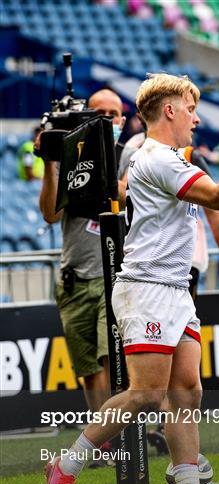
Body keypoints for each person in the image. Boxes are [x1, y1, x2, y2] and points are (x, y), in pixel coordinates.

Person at [41, 73, 219, 484]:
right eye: (190, 108)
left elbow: (214, 202)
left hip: (173, 289)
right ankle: (64, 467)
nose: (196, 117)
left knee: (187, 390)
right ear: (169, 110)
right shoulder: (158, 159)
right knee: (147, 395)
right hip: (147, 289)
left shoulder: (169, 158)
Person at [38, 89, 126, 415]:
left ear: (122, 120)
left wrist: (95, 156)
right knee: (89, 368)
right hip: (74, 277)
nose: (106, 120)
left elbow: (124, 193)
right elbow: (50, 213)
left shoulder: (128, 153)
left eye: (112, 115)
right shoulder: (69, 156)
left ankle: (121, 434)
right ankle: (102, 437)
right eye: (98, 114)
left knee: (112, 356)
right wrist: (50, 162)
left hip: (112, 273)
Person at [119, 131, 219, 300]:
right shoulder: (133, 148)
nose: (196, 120)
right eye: (189, 111)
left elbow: (215, 207)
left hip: (185, 261)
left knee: (181, 323)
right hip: (143, 261)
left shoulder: (189, 154)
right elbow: (126, 196)